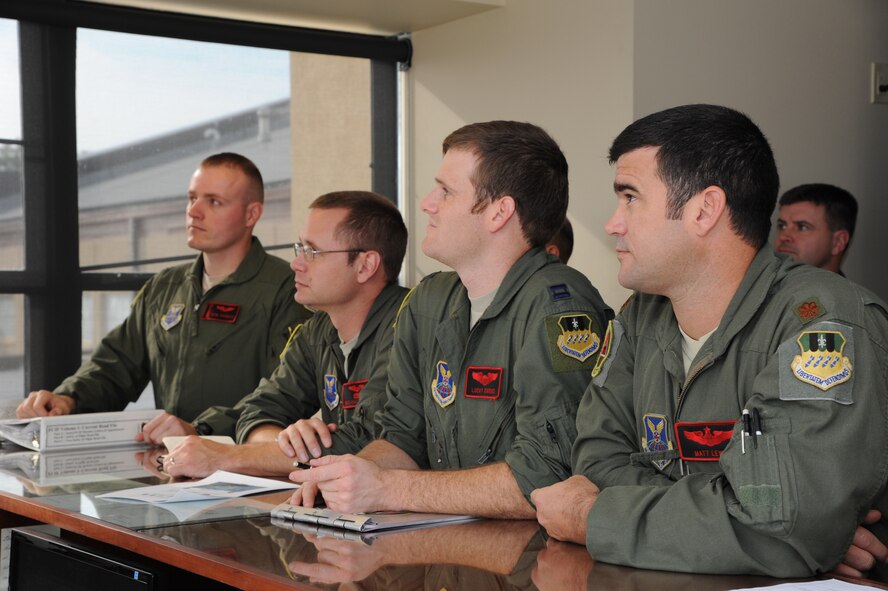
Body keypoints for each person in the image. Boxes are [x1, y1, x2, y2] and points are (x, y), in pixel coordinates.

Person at [531, 104, 888, 578]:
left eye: (631, 198)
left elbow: (781, 529)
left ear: (704, 209)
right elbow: (595, 458)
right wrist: (747, 525)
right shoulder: (640, 318)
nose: (614, 223)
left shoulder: (822, 324)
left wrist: (590, 516)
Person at [289, 120, 613, 518]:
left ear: (499, 212)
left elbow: (546, 478)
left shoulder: (559, 306)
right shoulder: (429, 300)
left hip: (529, 563)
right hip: (443, 552)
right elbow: (404, 439)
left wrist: (389, 488)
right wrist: (344, 477)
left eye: (446, 191)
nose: (427, 202)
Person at [16, 153, 311, 443]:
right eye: (192, 197)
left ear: (252, 214)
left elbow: (284, 394)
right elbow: (116, 365)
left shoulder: (286, 290)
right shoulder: (165, 286)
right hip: (171, 465)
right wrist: (68, 398)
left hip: (245, 469)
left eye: (214, 201)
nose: (194, 211)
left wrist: (203, 430)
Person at [160, 191, 409, 477]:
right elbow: (257, 412)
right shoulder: (316, 331)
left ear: (366, 266)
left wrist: (225, 458)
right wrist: (286, 441)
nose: (296, 263)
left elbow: (365, 445)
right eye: (299, 249)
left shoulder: (407, 328)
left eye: (312, 252)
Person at [774, 183, 858, 275]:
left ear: (838, 242)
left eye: (802, 227)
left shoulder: (846, 290)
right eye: (782, 225)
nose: (783, 237)